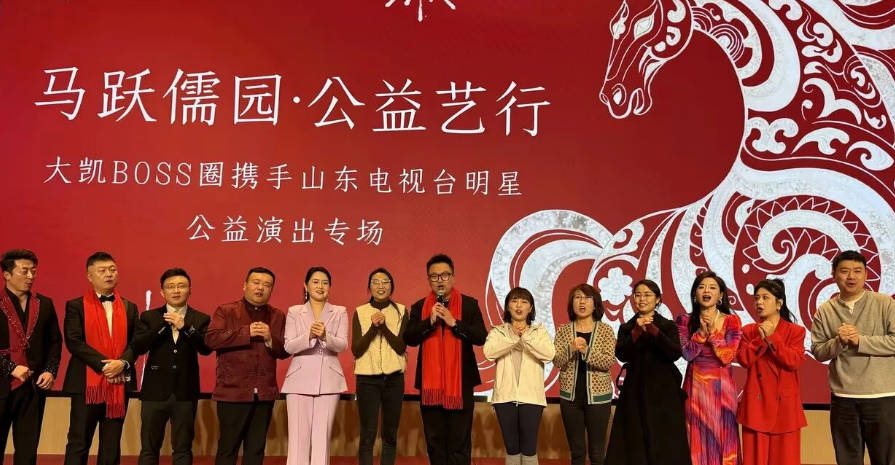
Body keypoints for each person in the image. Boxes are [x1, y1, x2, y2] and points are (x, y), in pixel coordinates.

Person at [811, 250, 895, 465]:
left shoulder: (884, 303)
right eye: (845, 271)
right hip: (843, 398)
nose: (851, 277)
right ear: (833, 274)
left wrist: (860, 341)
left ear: (866, 275)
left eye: (857, 271)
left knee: (886, 459)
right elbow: (818, 351)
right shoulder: (825, 310)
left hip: (882, 397)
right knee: (847, 460)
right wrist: (839, 342)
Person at [404, 254, 487, 465]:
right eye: (434, 276)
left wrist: (454, 322)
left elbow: (481, 337)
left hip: (461, 385)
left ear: (453, 277)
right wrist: (429, 322)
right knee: (435, 441)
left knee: (459, 440)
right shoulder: (419, 306)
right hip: (430, 387)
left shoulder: (469, 305)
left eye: (445, 275)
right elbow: (409, 338)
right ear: (428, 280)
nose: (440, 280)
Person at [206, 267, 288, 465]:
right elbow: (211, 339)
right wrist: (246, 332)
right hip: (232, 392)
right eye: (256, 282)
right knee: (228, 448)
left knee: (256, 449)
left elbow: (285, 350)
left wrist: (270, 338)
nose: (260, 288)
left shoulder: (277, 315)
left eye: (267, 285)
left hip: (264, 394)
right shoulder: (226, 310)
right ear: (245, 285)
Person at [63, 252, 138, 465]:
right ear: (90, 276)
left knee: (111, 443)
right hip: (86, 384)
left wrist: (121, 363)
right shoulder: (76, 305)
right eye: (102, 270)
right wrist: (105, 366)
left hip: (119, 383)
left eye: (112, 270)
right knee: (79, 441)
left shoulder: (130, 307)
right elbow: (74, 341)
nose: (109, 274)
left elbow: (136, 343)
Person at [604, 279, 690, 465]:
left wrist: (653, 330)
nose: (642, 299)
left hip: (664, 390)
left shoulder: (667, 325)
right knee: (634, 437)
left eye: (647, 295)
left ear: (657, 299)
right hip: (635, 389)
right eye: (638, 295)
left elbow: (675, 353)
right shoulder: (627, 327)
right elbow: (622, 354)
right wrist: (636, 332)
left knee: (664, 438)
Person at [133, 268, 212, 465]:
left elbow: (205, 348)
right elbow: (139, 346)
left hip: (185, 392)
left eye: (181, 286)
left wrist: (185, 327)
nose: (176, 290)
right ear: (162, 292)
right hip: (154, 392)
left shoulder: (200, 318)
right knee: (149, 449)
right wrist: (163, 326)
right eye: (171, 287)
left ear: (190, 290)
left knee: (183, 449)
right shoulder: (149, 316)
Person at [0, 249, 62, 465]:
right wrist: (10, 368)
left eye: (33, 271)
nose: (30, 276)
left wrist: (50, 371)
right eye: (24, 271)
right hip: (2, 384)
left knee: (27, 450)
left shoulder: (44, 304)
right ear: (7, 274)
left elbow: (55, 342)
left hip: (32, 386)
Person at [674, 271, 742, 465]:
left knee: (723, 437)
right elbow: (686, 354)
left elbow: (727, 356)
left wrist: (712, 333)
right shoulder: (684, 320)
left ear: (720, 295)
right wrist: (700, 334)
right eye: (702, 287)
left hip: (723, 390)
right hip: (695, 388)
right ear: (695, 293)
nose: (706, 291)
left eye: (712, 288)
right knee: (694, 435)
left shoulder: (732, 321)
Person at [282, 267, 348, 465]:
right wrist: (309, 336)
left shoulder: (339, 311)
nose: (320, 286)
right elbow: (288, 346)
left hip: (329, 380)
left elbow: (343, 345)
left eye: (325, 283)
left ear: (330, 287)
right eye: (315, 282)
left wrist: (326, 336)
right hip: (298, 381)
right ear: (306, 286)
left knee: (322, 439)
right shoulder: (294, 311)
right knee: (298, 440)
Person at [737, 279, 806, 465]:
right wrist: (760, 339)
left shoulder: (796, 331)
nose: (759, 302)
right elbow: (743, 360)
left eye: (765, 298)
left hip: (785, 410)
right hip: (755, 407)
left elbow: (793, 361)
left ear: (779, 303)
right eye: (756, 298)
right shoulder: (748, 331)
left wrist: (772, 337)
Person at [483, 287, 554, 465]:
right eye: (514, 301)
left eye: (524, 302)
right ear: (508, 307)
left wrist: (526, 338)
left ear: (531, 308)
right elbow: (489, 353)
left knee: (529, 449)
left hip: (532, 398)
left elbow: (548, 354)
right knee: (512, 448)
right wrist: (514, 338)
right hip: (504, 397)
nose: (519, 306)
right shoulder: (498, 332)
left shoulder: (539, 332)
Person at [552, 284, 616, 465]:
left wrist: (586, 351)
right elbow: (556, 361)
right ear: (571, 303)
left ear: (595, 304)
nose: (582, 302)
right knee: (577, 452)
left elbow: (608, 362)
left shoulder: (605, 330)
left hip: (599, 399)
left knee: (597, 452)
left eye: (587, 298)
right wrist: (571, 349)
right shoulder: (564, 330)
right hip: (570, 398)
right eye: (577, 297)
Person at [352, 268, 407, 465]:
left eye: (385, 282)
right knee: (368, 434)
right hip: (367, 380)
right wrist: (373, 328)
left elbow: (400, 347)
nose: (380, 285)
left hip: (394, 379)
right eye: (375, 282)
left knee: (390, 434)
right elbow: (357, 350)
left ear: (392, 286)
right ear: (369, 287)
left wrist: (383, 327)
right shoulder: (360, 311)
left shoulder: (401, 311)